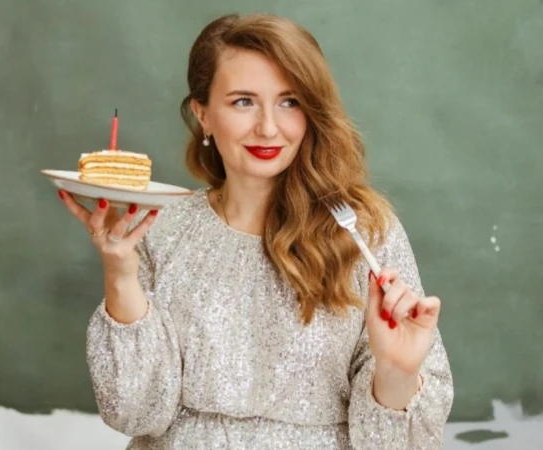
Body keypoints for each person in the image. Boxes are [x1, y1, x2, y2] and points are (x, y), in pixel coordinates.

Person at [57, 12, 453, 450]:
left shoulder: (364, 233)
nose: (268, 127)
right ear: (203, 114)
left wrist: (395, 373)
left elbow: (395, 444)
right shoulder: (159, 227)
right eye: (243, 101)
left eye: (289, 101)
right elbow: (135, 411)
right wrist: (120, 271)